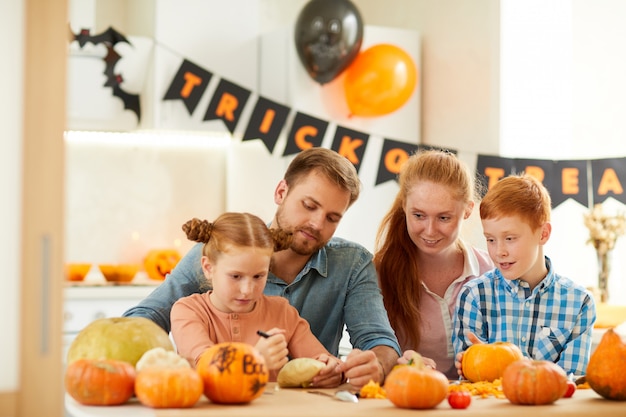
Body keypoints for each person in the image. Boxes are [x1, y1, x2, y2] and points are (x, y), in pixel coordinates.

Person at [123, 147, 401, 388]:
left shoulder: (353, 263)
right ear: (281, 192)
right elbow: (149, 316)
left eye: (332, 218)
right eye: (308, 206)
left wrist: (373, 364)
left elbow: (377, 339)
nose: (317, 224)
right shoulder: (221, 249)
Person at [452, 173, 596, 376]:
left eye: (510, 238)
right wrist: (469, 366)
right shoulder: (474, 297)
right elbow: (474, 378)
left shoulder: (580, 303)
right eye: (490, 240)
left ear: (543, 234)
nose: (499, 251)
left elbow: (570, 383)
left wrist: (503, 366)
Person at [170, 214, 343, 383]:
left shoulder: (282, 311)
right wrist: (254, 360)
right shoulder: (187, 311)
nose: (247, 290)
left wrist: (332, 370)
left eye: (258, 276)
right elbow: (203, 368)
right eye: (236, 276)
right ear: (208, 268)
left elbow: (321, 360)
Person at [373, 150, 494, 379]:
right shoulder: (379, 273)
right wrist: (396, 363)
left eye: (443, 218)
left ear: (468, 210)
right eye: (418, 215)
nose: (429, 231)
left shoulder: (491, 272)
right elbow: (373, 350)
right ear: (404, 207)